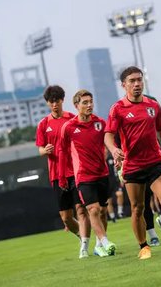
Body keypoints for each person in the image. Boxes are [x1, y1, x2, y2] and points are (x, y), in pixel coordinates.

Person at [104, 66, 161, 260]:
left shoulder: (153, 105)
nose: (137, 84)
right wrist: (114, 149)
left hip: (156, 162)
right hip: (132, 166)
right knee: (137, 208)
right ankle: (143, 246)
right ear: (124, 85)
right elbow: (108, 135)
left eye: (139, 80)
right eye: (132, 81)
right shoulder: (117, 108)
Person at [58, 89, 117, 257]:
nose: (89, 105)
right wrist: (62, 176)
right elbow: (62, 152)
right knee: (93, 209)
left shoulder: (101, 123)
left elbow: (110, 141)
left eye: (91, 101)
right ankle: (106, 242)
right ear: (76, 105)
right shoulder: (69, 127)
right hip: (83, 176)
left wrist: (115, 153)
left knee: (103, 212)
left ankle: (99, 245)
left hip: (102, 173)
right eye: (85, 102)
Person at [35, 85, 90, 258]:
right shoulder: (43, 124)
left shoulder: (72, 119)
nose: (54, 105)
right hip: (57, 175)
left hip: (75, 171)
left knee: (81, 210)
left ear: (62, 100)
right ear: (47, 103)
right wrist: (46, 150)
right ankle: (82, 237)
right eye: (51, 102)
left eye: (57, 101)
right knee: (66, 218)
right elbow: (40, 150)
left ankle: (86, 246)